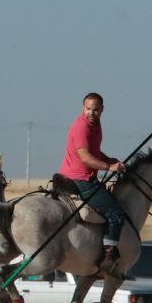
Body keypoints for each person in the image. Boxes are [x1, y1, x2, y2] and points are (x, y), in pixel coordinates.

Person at [58, 92, 127, 278]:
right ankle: (108, 257)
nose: (91, 113)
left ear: (102, 110)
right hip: (80, 178)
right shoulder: (81, 127)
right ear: (82, 108)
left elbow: (94, 151)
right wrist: (109, 167)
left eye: (95, 109)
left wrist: (107, 159)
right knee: (116, 213)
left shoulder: (95, 125)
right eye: (88, 109)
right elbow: (85, 157)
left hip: (85, 176)